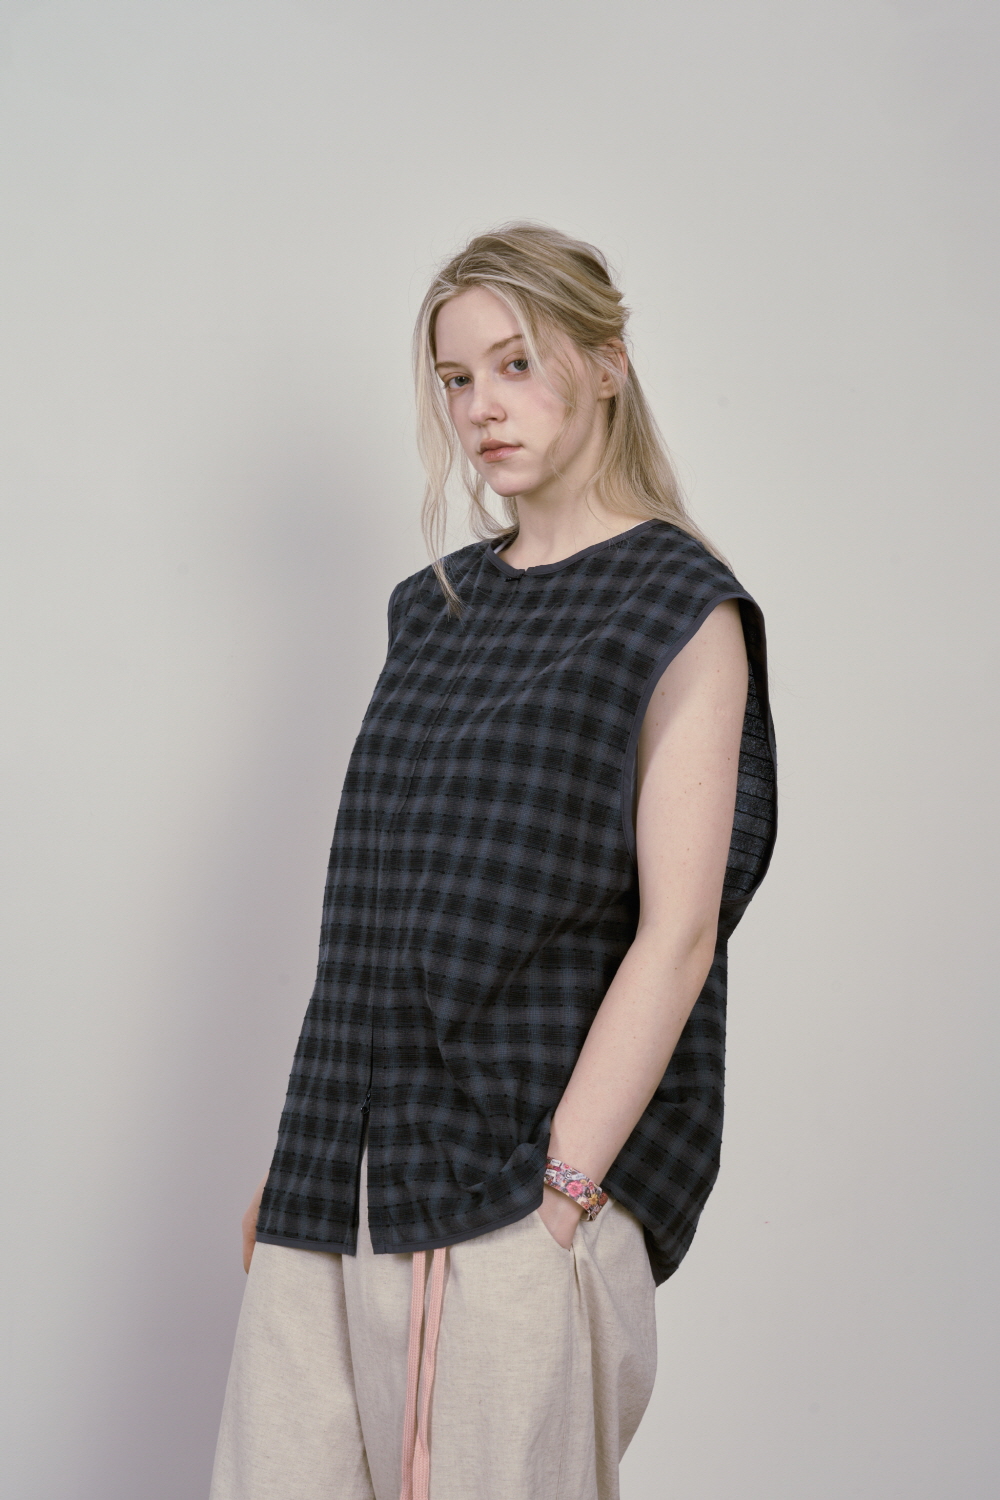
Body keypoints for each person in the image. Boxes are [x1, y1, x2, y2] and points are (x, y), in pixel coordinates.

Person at [209, 223, 777, 1500]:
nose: (481, 408)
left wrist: (564, 1189)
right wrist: (304, 1157)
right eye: (457, 378)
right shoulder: (432, 607)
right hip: (335, 1182)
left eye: (516, 363)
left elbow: (680, 931)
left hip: (509, 1194)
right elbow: (379, 909)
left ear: (607, 363)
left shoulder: (674, 605)